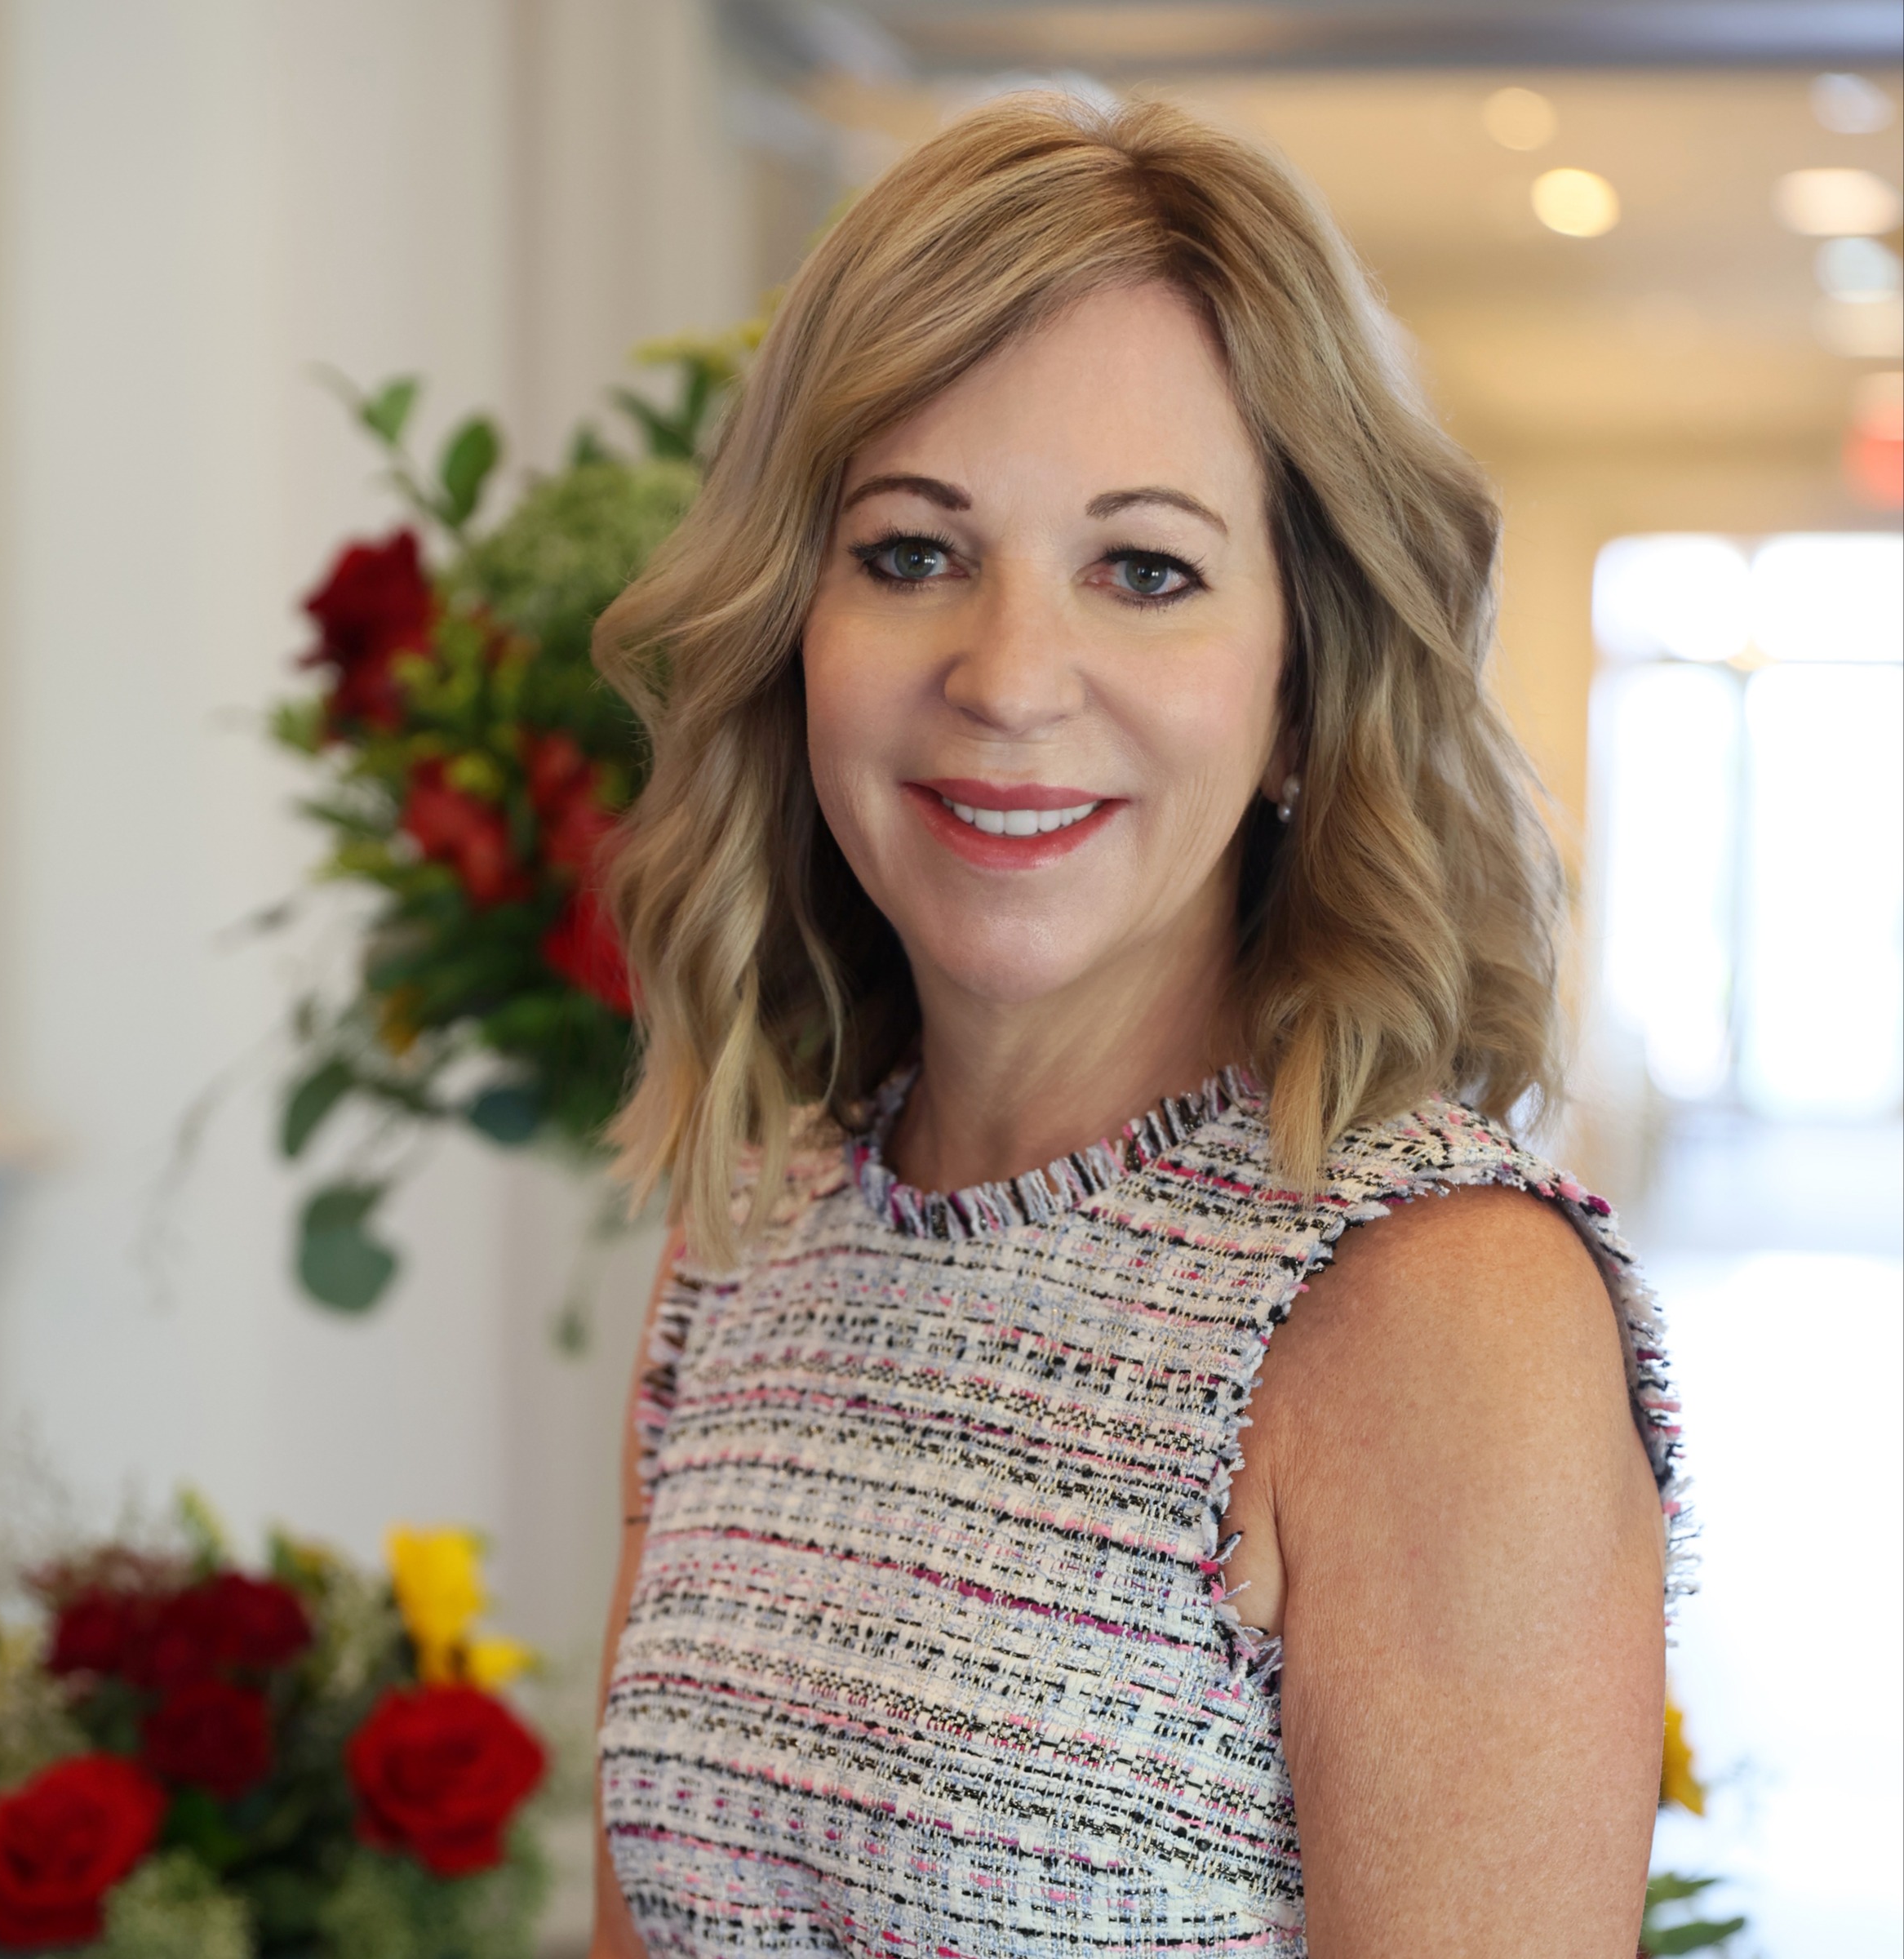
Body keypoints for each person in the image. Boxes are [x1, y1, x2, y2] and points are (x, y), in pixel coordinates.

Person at [586, 94, 1685, 1958]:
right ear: (793, 625)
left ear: (1301, 684)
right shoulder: (752, 1231)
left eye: (1147, 569)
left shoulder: (1433, 1305)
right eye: (913, 551)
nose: (1008, 678)